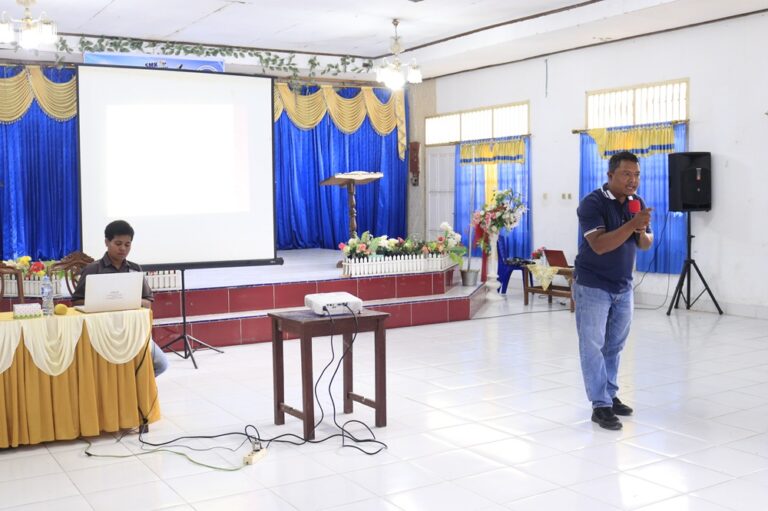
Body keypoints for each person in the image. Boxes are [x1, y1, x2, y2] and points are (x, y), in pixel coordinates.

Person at [574, 151, 653, 430]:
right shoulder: (592, 203)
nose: (633, 181)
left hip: (623, 286)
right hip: (593, 284)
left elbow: (644, 244)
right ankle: (600, 405)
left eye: (637, 175)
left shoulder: (636, 203)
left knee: (615, 345)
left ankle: (609, 394)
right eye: (626, 174)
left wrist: (641, 230)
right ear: (610, 176)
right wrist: (633, 224)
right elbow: (599, 245)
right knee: (593, 345)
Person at [71, 220, 169, 376]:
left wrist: (127, 301)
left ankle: (136, 392)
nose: (123, 248)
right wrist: (103, 302)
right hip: (102, 332)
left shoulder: (135, 269)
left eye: (127, 244)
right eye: (118, 243)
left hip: (132, 331)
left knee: (161, 364)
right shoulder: (93, 269)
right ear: (107, 242)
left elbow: (148, 302)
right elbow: (76, 301)